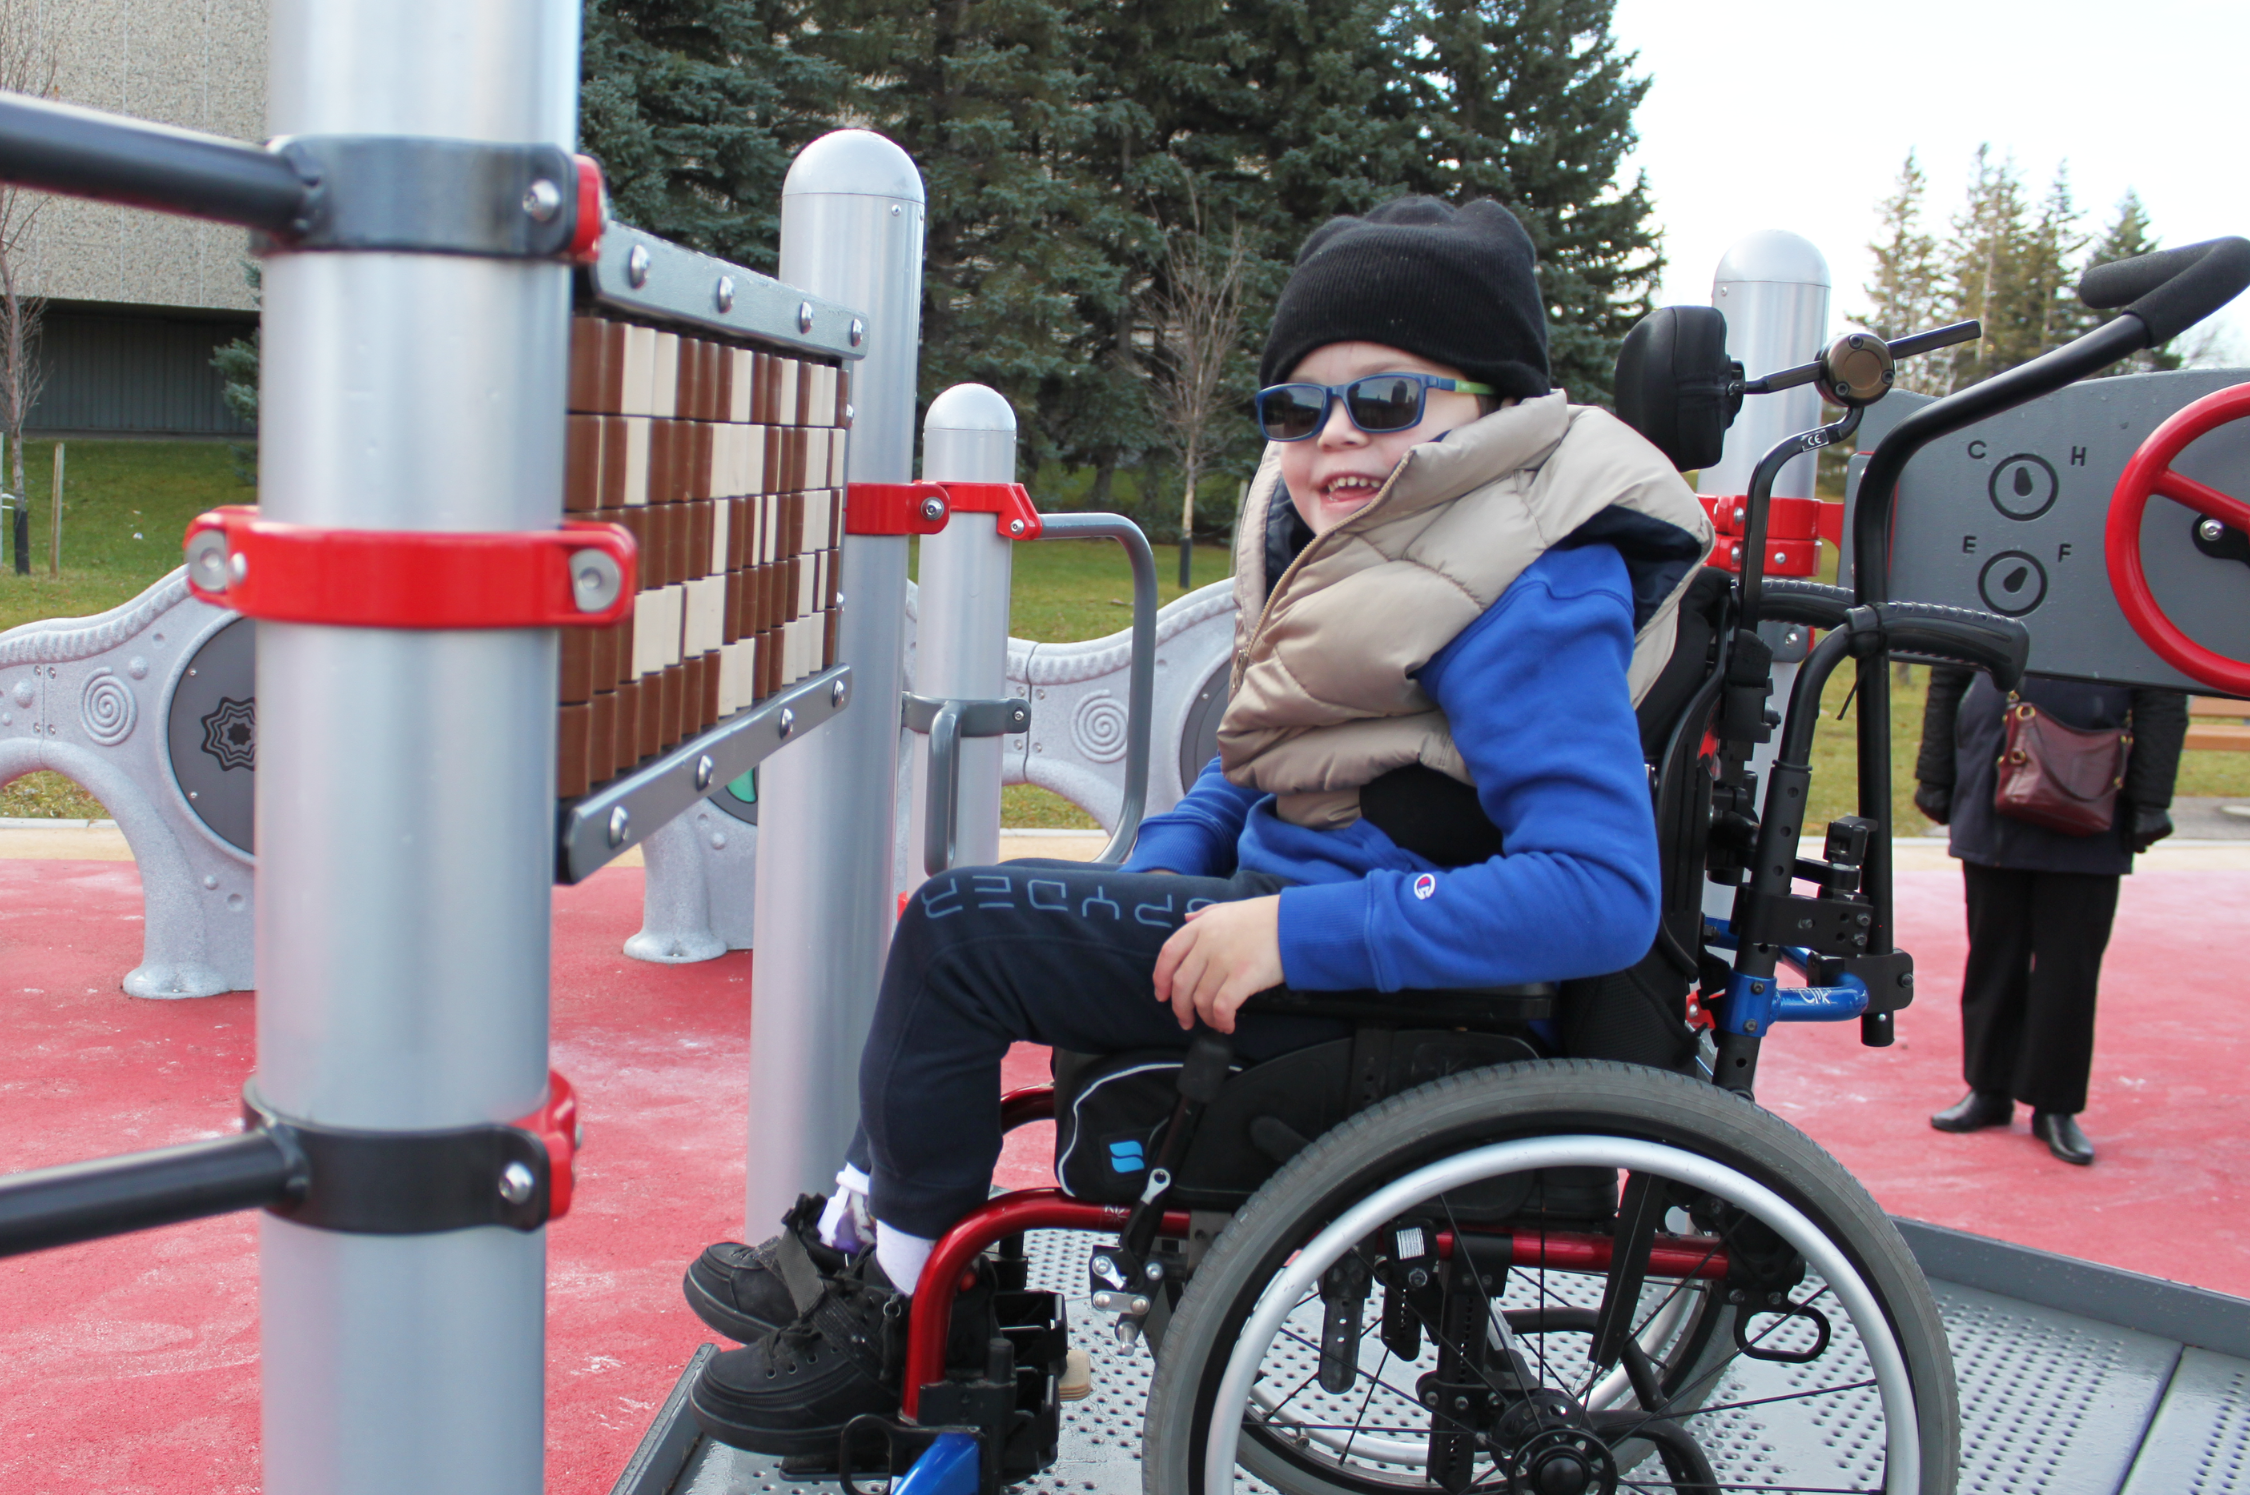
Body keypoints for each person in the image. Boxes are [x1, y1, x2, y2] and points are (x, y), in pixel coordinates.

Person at [682, 196, 1715, 1455]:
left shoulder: (1529, 585)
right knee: (989, 924)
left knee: (955, 930)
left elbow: (1602, 891)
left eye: (1386, 400)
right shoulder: (1394, 546)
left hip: (1379, 984)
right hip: (1289, 925)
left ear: (1492, 408)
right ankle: (863, 1227)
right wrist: (1160, 870)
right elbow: (1266, 769)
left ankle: (896, 1308)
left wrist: (1297, 929)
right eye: (1296, 409)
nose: (1334, 435)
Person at [1914, 669, 2186, 1165]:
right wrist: (1934, 774)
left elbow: (2160, 692)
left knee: (2070, 969)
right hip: (1992, 776)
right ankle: (1988, 1088)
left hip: (2093, 791)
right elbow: (1951, 672)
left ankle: (2055, 1105)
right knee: (1993, 952)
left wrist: (2150, 800)